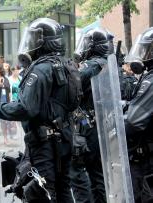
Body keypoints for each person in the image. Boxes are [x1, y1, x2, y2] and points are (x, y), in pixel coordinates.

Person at [0, 18, 75, 202]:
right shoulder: (67, 65)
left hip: (44, 143)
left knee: (42, 192)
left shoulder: (40, 70)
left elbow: (25, 107)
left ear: (43, 42)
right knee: (63, 189)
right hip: (65, 138)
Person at [71, 28, 112, 203]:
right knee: (97, 176)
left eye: (87, 43)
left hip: (89, 128)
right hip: (99, 125)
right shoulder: (108, 63)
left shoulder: (95, 64)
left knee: (80, 175)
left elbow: (73, 78)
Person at [123, 27, 153, 203]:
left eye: (146, 50)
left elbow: (134, 121)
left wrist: (116, 129)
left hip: (146, 161)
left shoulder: (151, 80)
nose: (142, 55)